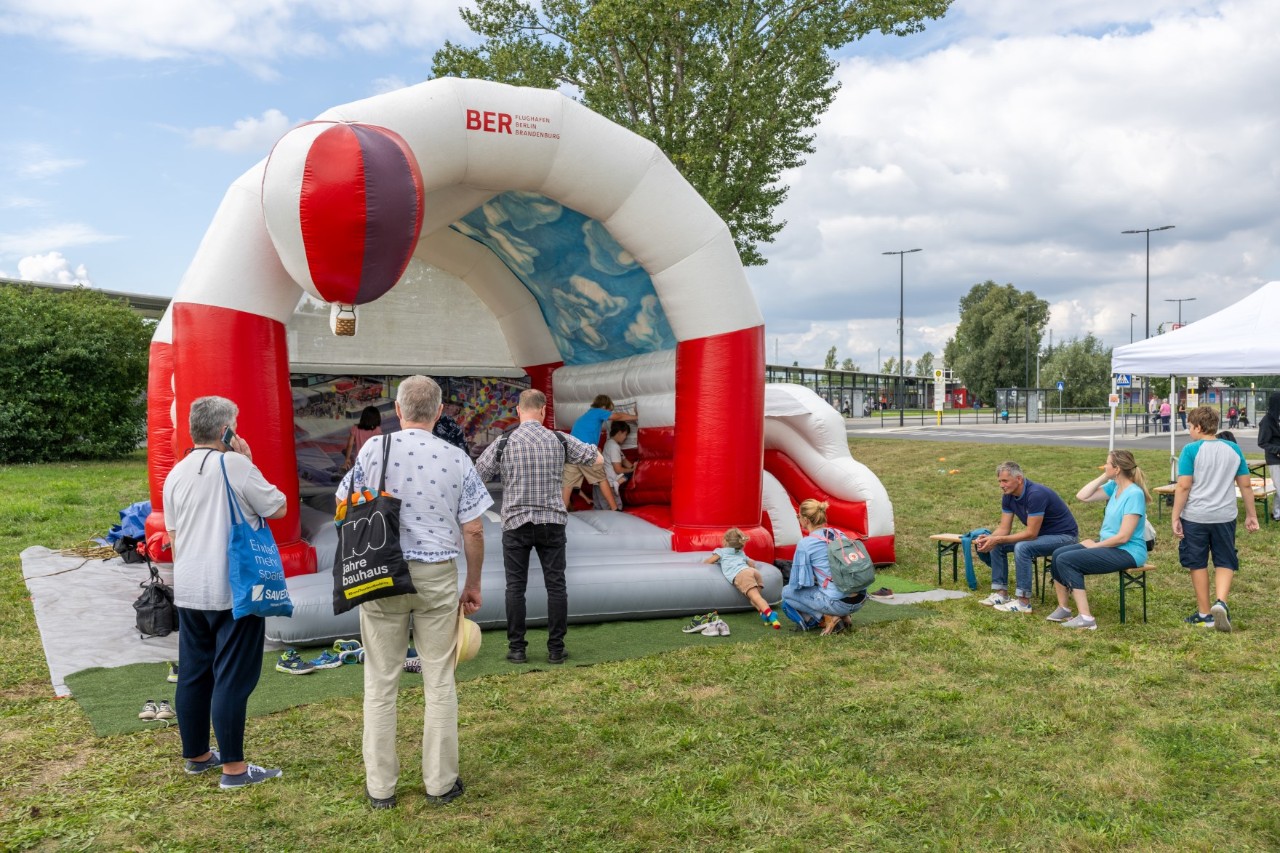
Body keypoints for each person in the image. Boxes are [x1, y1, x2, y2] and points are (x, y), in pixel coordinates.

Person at [335, 375, 490, 809]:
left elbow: (342, 503)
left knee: (381, 681)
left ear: (398, 411)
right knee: (439, 678)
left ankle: (380, 787)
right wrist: (472, 583)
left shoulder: (373, 448)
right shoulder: (456, 457)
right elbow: (474, 527)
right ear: (439, 412)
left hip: (381, 571)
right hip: (437, 573)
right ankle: (440, 783)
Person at [163, 395, 287, 789]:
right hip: (234, 587)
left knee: (195, 674)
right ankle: (234, 769)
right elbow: (279, 506)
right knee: (232, 677)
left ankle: (197, 755)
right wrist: (247, 459)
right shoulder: (234, 464)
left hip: (188, 586)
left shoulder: (176, 472)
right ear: (225, 430)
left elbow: (173, 535)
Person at [475, 389, 600, 665]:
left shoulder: (503, 442)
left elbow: (478, 474)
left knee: (515, 588)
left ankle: (517, 649)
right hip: (552, 523)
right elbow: (596, 459)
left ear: (518, 411)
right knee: (556, 586)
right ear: (543, 411)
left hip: (515, 523)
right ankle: (556, 649)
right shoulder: (558, 439)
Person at [1172, 406, 1260, 632]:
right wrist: (1251, 514)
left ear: (1198, 427)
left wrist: (1175, 516)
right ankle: (1220, 602)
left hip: (1196, 516)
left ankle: (1204, 614)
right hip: (1225, 515)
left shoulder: (1190, 450)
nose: (1189, 430)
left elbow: (1183, 486)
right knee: (1224, 559)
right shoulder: (1233, 448)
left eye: (1190, 426)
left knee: (1197, 561)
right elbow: (1246, 484)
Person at [1045, 450, 1150, 630]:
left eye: (1107, 464)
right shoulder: (1115, 487)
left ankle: (1086, 618)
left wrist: (1095, 546)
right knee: (1058, 554)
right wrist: (1104, 476)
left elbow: (1124, 536)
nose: (1103, 466)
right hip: (1110, 545)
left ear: (1117, 469)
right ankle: (1064, 608)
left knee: (1068, 560)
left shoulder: (1134, 494)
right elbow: (1082, 496)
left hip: (1129, 551)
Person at [975, 461, 1079, 614]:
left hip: (1064, 537)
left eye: (1005, 481)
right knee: (997, 544)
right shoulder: (1008, 496)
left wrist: (996, 539)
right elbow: (1004, 529)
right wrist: (989, 538)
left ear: (1019, 479)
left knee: (1023, 547)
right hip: (1042, 537)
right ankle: (1000, 594)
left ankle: (1023, 602)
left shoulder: (1036, 494)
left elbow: (1031, 534)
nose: (1001, 485)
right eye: (999, 481)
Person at [780, 499, 866, 636]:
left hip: (838, 603)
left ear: (806, 520)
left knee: (786, 592)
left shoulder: (806, 544)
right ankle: (843, 616)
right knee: (829, 586)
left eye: (799, 517)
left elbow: (798, 584)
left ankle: (827, 617)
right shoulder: (839, 533)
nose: (799, 519)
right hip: (860, 598)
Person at [562, 394, 637, 511]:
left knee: (567, 485)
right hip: (584, 451)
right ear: (603, 406)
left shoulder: (584, 417)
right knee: (602, 479)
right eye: (609, 410)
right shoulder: (598, 411)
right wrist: (636, 417)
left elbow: (583, 434)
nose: (608, 414)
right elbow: (618, 416)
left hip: (571, 452)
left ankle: (560, 512)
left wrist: (596, 449)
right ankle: (614, 508)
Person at [702, 528, 781, 630]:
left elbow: (709, 561)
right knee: (753, 600)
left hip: (742, 575)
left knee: (756, 598)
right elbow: (751, 564)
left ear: (725, 541)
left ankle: (770, 613)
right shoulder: (741, 553)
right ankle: (765, 616)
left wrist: (705, 563)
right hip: (754, 572)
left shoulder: (721, 552)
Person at [600, 421, 635, 507]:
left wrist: (634, 467)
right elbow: (618, 469)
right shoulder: (614, 447)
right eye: (625, 434)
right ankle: (618, 482)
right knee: (616, 510)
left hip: (603, 482)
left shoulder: (610, 443)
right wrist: (633, 470)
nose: (625, 437)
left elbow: (624, 460)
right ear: (619, 433)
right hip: (610, 484)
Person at [1258, 391, 1280, 523]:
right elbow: (1262, 442)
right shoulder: (1267, 421)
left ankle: (1277, 514)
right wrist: (1277, 450)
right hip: (1274, 459)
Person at [344, 406, 382, 470]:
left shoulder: (355, 428)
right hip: (373, 461)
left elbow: (350, 445)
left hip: (359, 461)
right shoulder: (377, 430)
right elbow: (380, 446)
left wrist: (347, 458)